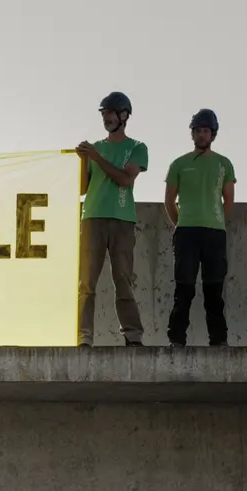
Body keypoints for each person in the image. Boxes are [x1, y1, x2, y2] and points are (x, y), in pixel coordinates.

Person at [74, 92, 149, 346]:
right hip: (92, 217)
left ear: (124, 115)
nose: (106, 117)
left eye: (110, 113)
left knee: (123, 279)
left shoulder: (137, 147)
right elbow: (82, 188)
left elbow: (126, 179)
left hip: (122, 219)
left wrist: (96, 157)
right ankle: (83, 336)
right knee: (86, 282)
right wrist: (83, 161)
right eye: (103, 113)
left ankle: (132, 335)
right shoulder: (95, 148)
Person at [165, 109, 238, 347]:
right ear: (192, 134)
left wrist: (217, 222)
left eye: (205, 130)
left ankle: (218, 340)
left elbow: (229, 200)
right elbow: (169, 200)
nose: (201, 135)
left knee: (214, 291)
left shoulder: (224, 164)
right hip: (186, 232)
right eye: (197, 131)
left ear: (212, 134)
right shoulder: (179, 164)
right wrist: (181, 223)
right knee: (184, 289)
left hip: (214, 233)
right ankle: (176, 339)